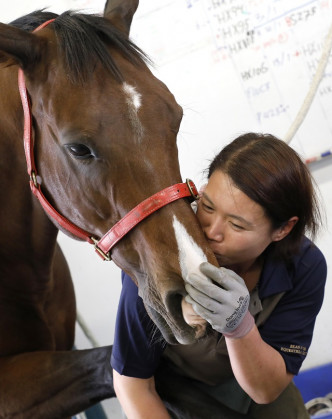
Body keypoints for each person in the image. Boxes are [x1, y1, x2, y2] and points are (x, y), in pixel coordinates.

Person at [111, 133, 327, 418]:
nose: (212, 232)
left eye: (237, 225)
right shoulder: (157, 260)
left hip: (258, 379)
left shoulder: (303, 267)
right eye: (207, 207)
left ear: (282, 230)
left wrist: (240, 327)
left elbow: (266, 389)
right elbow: (133, 383)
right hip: (174, 389)